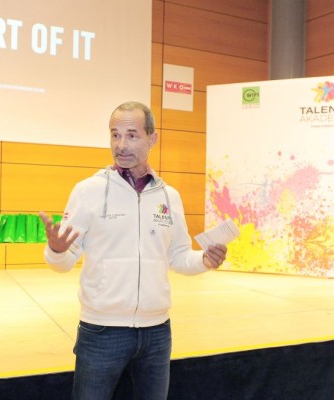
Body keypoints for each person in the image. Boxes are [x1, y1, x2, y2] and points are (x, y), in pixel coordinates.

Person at [39, 101, 227, 400]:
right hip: (101, 332)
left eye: (131, 135)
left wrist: (204, 259)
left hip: (157, 333)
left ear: (152, 139)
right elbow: (61, 263)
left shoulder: (169, 196)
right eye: (115, 135)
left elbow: (178, 256)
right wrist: (56, 250)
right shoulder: (88, 191)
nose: (121, 144)